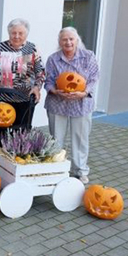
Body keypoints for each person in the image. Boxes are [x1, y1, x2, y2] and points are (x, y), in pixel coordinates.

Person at [45, 27, 99, 184]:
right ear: (60, 42)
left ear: (77, 40)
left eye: (71, 39)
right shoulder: (53, 59)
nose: (68, 42)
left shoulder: (88, 56)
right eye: (64, 39)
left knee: (80, 138)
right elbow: (48, 80)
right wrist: (55, 91)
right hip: (57, 103)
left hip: (81, 103)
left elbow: (94, 77)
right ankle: (56, 169)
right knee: (56, 139)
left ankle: (80, 170)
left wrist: (85, 92)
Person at [0, 18, 45, 127]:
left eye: (21, 33)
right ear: (9, 33)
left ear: (26, 34)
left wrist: (37, 88)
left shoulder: (32, 49)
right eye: (13, 33)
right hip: (2, 96)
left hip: (25, 97)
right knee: (0, 131)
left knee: (21, 133)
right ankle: (0, 145)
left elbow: (40, 72)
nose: (16, 36)